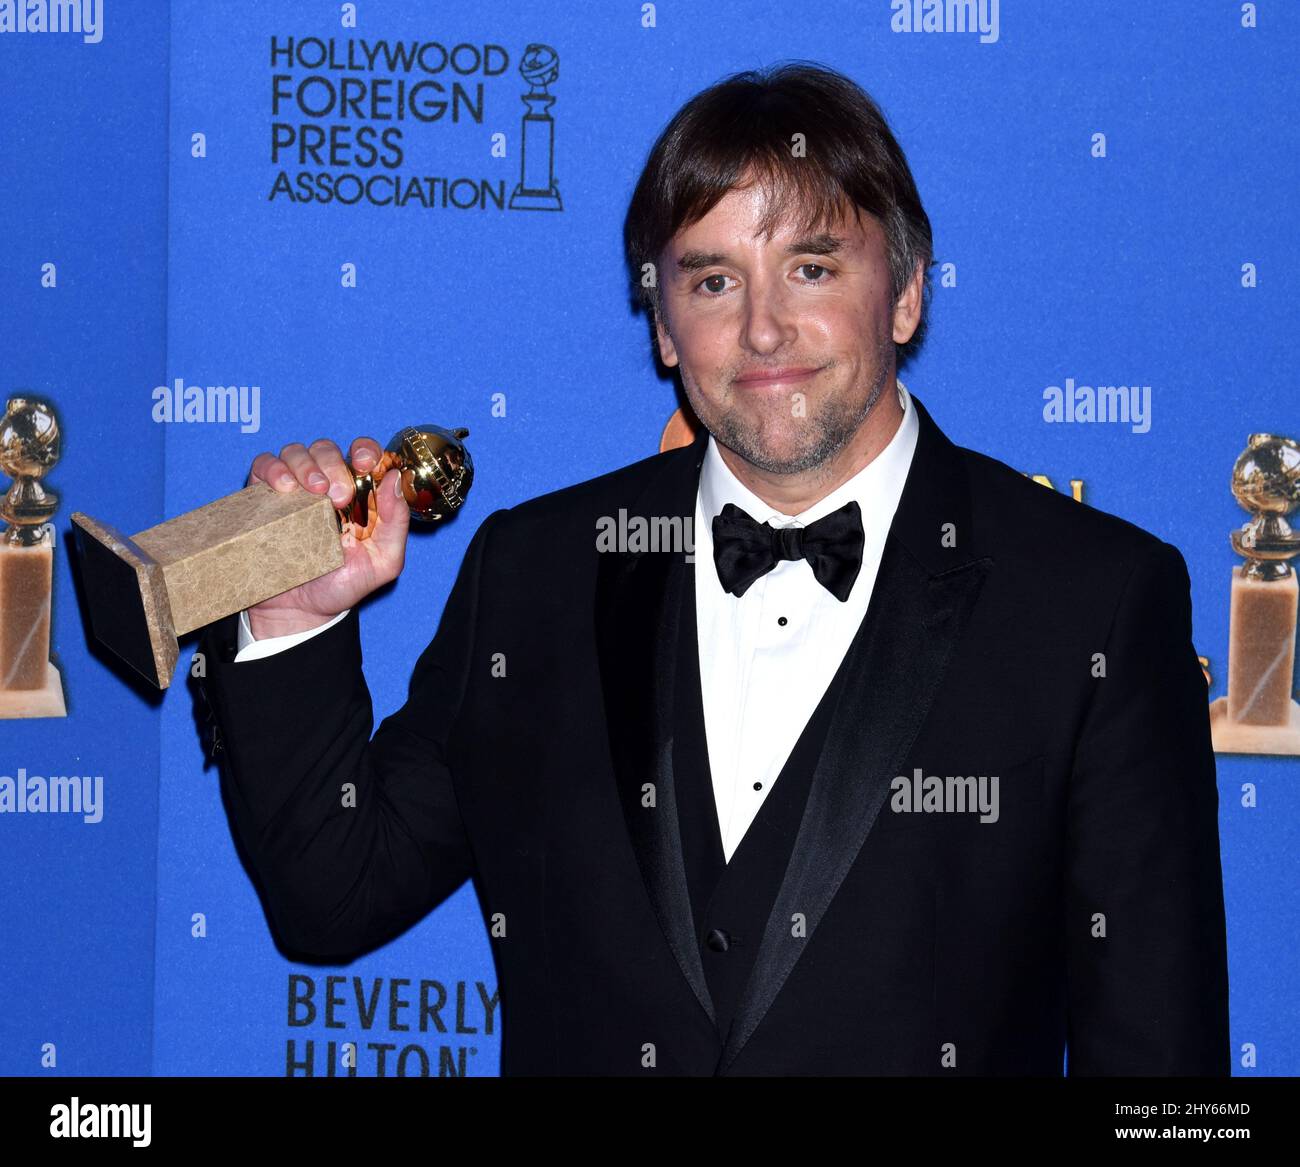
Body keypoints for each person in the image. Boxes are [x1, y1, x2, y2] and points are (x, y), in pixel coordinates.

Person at [197, 62, 1230, 1076]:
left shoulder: (1089, 601)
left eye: (813, 267)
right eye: (712, 279)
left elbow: (1158, 1059)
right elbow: (331, 902)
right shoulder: (536, 572)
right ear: (660, 324)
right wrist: (294, 622)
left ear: (906, 294)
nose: (763, 328)